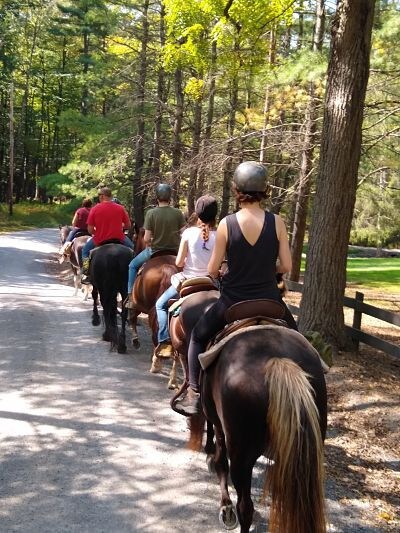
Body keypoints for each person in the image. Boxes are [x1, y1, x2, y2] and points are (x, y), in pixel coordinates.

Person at [175, 161, 298, 416]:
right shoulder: (277, 222)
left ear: (236, 190)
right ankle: (309, 381)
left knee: (197, 336)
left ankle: (194, 393)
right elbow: (285, 264)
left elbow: (211, 269)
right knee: (300, 342)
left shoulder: (226, 224)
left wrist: (226, 270)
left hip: (233, 303)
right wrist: (265, 268)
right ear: (265, 190)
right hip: (271, 302)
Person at [155, 195, 218, 357]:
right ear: (215, 215)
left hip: (188, 281)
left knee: (160, 305)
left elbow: (179, 262)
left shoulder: (189, 233)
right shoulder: (219, 236)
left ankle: (165, 341)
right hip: (211, 283)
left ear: (197, 214)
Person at [125, 183, 186, 308]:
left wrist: (150, 242)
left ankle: (130, 297)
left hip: (155, 251)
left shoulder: (151, 213)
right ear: (170, 198)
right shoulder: (178, 213)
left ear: (157, 197)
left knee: (132, 265)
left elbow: (146, 238)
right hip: (175, 252)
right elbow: (184, 233)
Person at [81, 187, 134, 278]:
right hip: (119, 237)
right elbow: (128, 226)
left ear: (102, 196)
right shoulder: (121, 208)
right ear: (110, 196)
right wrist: (119, 227)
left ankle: (86, 273)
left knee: (85, 251)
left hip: (99, 238)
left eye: (99, 196)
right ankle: (134, 272)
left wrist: (98, 232)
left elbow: (89, 229)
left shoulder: (94, 209)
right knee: (133, 249)